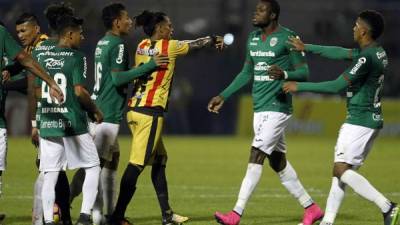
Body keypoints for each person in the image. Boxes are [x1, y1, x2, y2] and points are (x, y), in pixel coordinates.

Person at [208, 1, 324, 225]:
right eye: (256, 9)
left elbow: (304, 72)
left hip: (277, 106)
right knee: (278, 162)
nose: (255, 13)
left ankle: (236, 213)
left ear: (272, 15)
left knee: (256, 155)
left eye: (261, 10)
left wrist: (285, 73)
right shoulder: (252, 38)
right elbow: (246, 72)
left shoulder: (288, 38)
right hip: (259, 107)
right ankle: (312, 208)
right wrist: (223, 95)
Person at [284, 10, 399, 225]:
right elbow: (340, 52)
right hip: (369, 118)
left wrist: (300, 86)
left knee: (340, 169)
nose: (353, 28)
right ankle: (328, 221)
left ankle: (387, 207)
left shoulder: (366, 57)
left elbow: (337, 85)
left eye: (356, 25)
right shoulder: (376, 52)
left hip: (359, 119)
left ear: (364, 31)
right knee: (342, 172)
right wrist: (306, 47)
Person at [108, 10, 223, 225]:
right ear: (160, 29)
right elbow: (195, 43)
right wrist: (213, 39)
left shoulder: (141, 46)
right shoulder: (169, 46)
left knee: (160, 160)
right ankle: (117, 216)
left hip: (134, 110)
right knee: (137, 164)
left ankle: (167, 215)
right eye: (168, 26)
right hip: (150, 113)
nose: (172, 29)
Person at [69, 3, 168, 225]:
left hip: (98, 107)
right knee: (95, 167)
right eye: (126, 19)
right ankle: (71, 208)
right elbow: (116, 79)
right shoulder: (119, 45)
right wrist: (148, 67)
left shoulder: (102, 42)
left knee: (110, 161)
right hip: (108, 113)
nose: (130, 22)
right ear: (117, 22)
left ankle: (107, 215)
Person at [34, 15, 102, 225]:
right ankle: (84, 217)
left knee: (51, 172)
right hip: (72, 121)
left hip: (47, 120)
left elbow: (37, 91)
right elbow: (80, 92)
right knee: (93, 167)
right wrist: (94, 110)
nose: (82, 37)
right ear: (69, 34)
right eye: (80, 34)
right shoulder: (76, 57)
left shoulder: (41, 55)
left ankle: (48, 220)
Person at [0, 17, 63, 225]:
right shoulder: (32, 47)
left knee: (49, 166)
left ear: (36, 29)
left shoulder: (42, 47)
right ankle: (52, 212)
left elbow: (31, 86)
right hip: (49, 112)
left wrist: (5, 86)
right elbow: (20, 63)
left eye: (24, 31)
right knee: (48, 165)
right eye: (17, 32)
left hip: (50, 112)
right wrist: (11, 69)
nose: (20, 36)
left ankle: (50, 212)